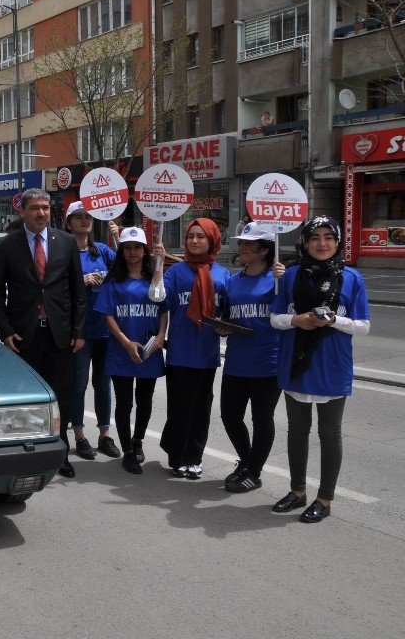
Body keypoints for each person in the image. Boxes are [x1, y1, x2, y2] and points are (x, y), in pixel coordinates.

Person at [269, 216, 369, 523]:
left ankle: (324, 499)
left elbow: (363, 326)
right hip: (296, 362)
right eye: (315, 237)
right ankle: (297, 491)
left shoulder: (352, 278)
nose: (322, 243)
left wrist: (334, 321)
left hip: (333, 365)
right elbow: (275, 318)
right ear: (304, 242)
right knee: (297, 431)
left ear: (338, 242)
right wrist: (296, 320)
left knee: (330, 434)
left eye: (329, 237)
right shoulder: (291, 275)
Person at [0, 188, 88, 479]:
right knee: (25, 398)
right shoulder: (8, 245)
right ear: (23, 212)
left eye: (45, 207)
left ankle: (61, 452)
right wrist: (5, 331)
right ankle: (27, 451)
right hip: (23, 337)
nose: (41, 213)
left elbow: (77, 293)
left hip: (60, 336)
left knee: (62, 397)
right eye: (35, 208)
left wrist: (78, 330)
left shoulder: (66, 242)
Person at [150, 218, 230, 479]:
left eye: (201, 237)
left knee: (201, 409)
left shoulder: (222, 274)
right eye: (191, 236)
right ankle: (177, 457)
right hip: (181, 353)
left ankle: (194, 458)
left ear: (212, 240)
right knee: (180, 409)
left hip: (207, 354)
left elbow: (229, 312)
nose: (195, 241)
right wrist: (160, 266)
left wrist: (226, 327)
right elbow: (158, 297)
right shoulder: (176, 272)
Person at [217, 222, 286, 493]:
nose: (242, 247)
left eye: (249, 244)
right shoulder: (233, 282)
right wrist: (222, 326)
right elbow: (225, 316)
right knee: (230, 416)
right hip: (236, 361)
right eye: (242, 243)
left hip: (268, 362)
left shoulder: (279, 280)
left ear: (265, 250)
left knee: (262, 419)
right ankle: (246, 460)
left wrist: (287, 279)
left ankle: (254, 472)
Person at [93, 228, 167, 474]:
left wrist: (160, 336)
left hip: (150, 350)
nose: (132, 252)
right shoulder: (113, 282)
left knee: (144, 401)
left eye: (137, 247)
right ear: (121, 251)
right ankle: (127, 451)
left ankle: (138, 442)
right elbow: (108, 316)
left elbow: (163, 309)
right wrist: (126, 342)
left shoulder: (154, 279)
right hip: (121, 350)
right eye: (127, 247)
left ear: (145, 250)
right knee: (124, 404)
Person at [64, 201, 120, 460]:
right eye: (78, 217)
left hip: (105, 330)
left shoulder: (104, 251)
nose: (84, 221)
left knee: (103, 385)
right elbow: (54, 287)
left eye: (88, 217)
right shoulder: (64, 252)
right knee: (77, 384)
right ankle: (79, 436)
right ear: (69, 223)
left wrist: (119, 238)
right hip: (79, 331)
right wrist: (81, 280)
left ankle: (105, 435)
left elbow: (124, 270)